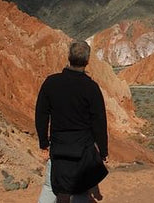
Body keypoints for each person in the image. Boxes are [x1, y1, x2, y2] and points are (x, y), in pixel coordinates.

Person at [35, 40, 108, 202]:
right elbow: (99, 122)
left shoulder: (51, 82)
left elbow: (41, 114)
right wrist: (103, 151)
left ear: (68, 57)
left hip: (59, 148)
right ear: (87, 61)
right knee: (81, 192)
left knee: (50, 188)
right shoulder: (91, 87)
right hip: (83, 150)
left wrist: (43, 141)